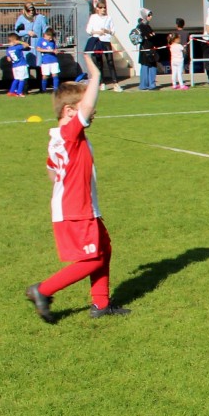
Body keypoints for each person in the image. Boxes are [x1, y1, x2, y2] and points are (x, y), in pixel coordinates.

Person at [26, 53, 129, 322]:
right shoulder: (70, 133)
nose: (92, 112)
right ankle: (42, 290)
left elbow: (51, 170)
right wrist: (95, 75)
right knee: (93, 259)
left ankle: (101, 304)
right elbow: (87, 107)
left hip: (79, 205)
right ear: (69, 111)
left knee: (104, 248)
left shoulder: (58, 137)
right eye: (86, 108)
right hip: (77, 209)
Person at [85, 0, 120, 89]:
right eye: (101, 7)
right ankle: (102, 83)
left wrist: (107, 31)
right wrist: (97, 32)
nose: (103, 9)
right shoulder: (93, 17)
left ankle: (115, 83)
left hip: (106, 41)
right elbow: (88, 30)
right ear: (97, 8)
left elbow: (113, 31)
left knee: (110, 62)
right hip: (97, 41)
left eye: (104, 7)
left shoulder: (109, 18)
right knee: (99, 62)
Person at [134, 10, 159, 91]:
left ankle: (151, 84)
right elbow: (148, 36)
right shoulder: (141, 26)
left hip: (151, 48)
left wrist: (151, 35)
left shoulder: (147, 26)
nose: (150, 17)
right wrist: (150, 35)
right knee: (145, 66)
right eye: (149, 15)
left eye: (151, 15)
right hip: (145, 48)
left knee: (152, 66)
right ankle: (144, 85)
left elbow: (151, 35)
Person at [4, 31, 30, 96]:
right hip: (21, 65)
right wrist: (19, 42)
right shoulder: (18, 47)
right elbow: (27, 45)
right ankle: (19, 92)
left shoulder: (8, 49)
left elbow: (9, 59)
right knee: (22, 79)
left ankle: (11, 91)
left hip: (14, 66)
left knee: (16, 79)